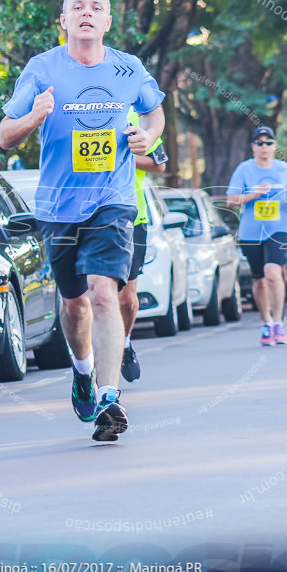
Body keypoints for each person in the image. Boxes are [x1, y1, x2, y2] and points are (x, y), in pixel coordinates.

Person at [0, 0, 165, 442]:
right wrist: (34, 116)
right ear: (64, 20)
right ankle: (83, 371)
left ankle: (110, 398)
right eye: (78, 7)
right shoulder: (41, 69)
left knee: (104, 294)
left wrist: (148, 136)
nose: (87, 13)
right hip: (58, 207)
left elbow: (155, 115)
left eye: (97, 7)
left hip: (113, 200)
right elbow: (4, 135)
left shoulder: (129, 68)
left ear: (108, 21)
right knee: (73, 305)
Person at [227, 126, 287, 346]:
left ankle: (278, 323)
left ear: (274, 146)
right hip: (251, 231)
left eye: (269, 143)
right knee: (259, 280)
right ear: (253, 147)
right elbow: (231, 199)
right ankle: (266, 322)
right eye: (259, 143)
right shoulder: (244, 169)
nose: (264, 147)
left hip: (279, 228)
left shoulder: (283, 168)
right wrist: (254, 194)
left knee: (273, 273)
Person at [118, 111, 166, 382]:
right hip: (89, 217)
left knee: (126, 297)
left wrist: (125, 158)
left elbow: (159, 164)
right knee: (96, 294)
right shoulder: (79, 109)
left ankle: (124, 342)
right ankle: (90, 359)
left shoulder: (136, 116)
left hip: (133, 216)